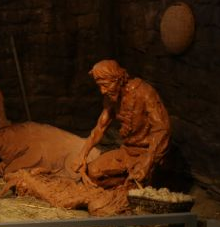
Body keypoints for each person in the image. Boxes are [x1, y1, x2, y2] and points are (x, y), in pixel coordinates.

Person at [72, 59, 171, 188]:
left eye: (105, 85)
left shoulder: (145, 92)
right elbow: (100, 128)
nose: (102, 91)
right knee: (92, 173)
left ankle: (133, 182)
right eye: (100, 86)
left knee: (137, 181)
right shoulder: (111, 98)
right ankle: (124, 182)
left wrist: (148, 160)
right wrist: (82, 155)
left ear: (118, 79)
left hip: (147, 153)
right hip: (127, 152)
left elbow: (162, 129)